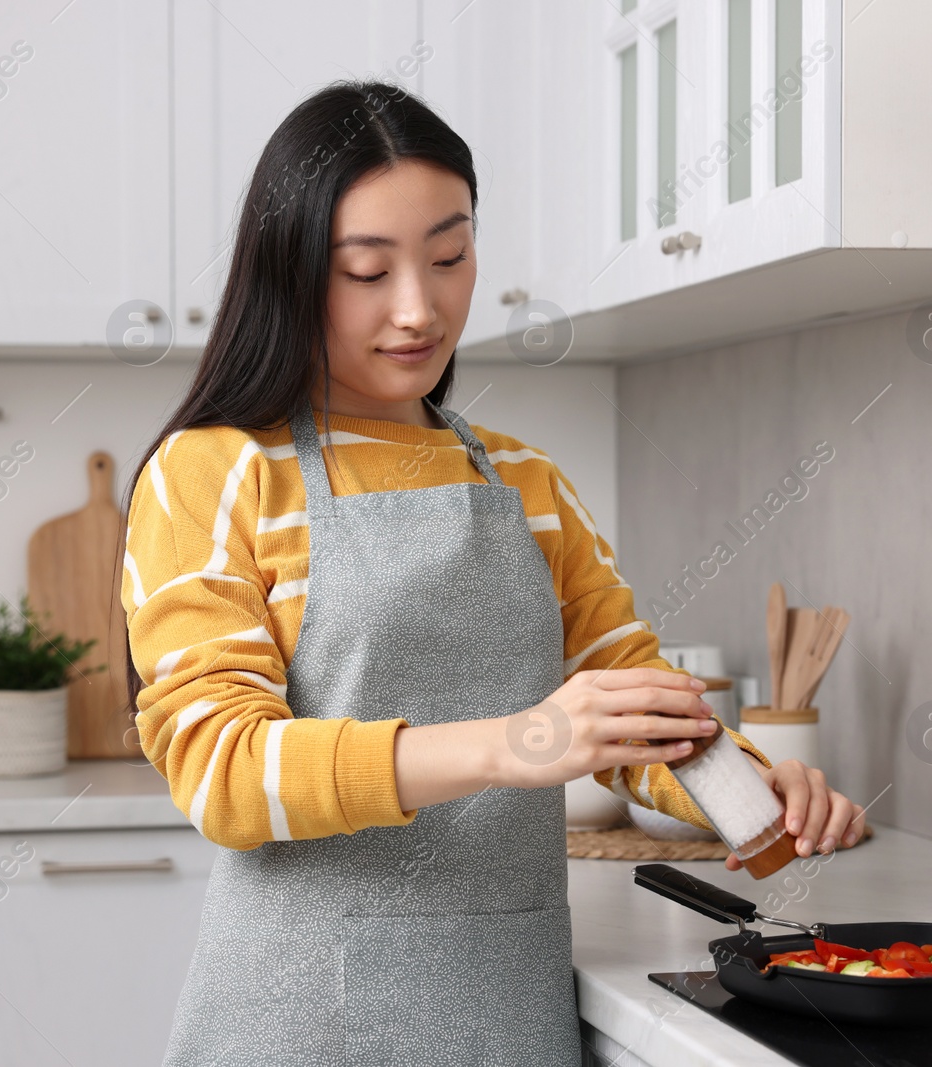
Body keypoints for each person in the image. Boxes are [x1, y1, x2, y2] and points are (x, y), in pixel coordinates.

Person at [119, 79, 864, 1067]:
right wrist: (515, 742)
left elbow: (641, 717)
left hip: (505, 1010)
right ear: (292, 273)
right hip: (295, 1020)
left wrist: (767, 794)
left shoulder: (524, 481)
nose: (419, 308)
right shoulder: (214, 472)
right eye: (366, 271)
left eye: (448, 256)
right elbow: (224, 772)